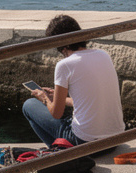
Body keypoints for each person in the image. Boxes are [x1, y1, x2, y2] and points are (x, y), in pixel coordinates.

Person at [22, 14, 127, 148]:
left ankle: (60, 152)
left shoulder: (65, 65)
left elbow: (56, 113)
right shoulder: (103, 55)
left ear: (61, 45)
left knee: (29, 105)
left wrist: (44, 98)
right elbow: (90, 100)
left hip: (84, 144)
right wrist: (57, 97)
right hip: (114, 141)